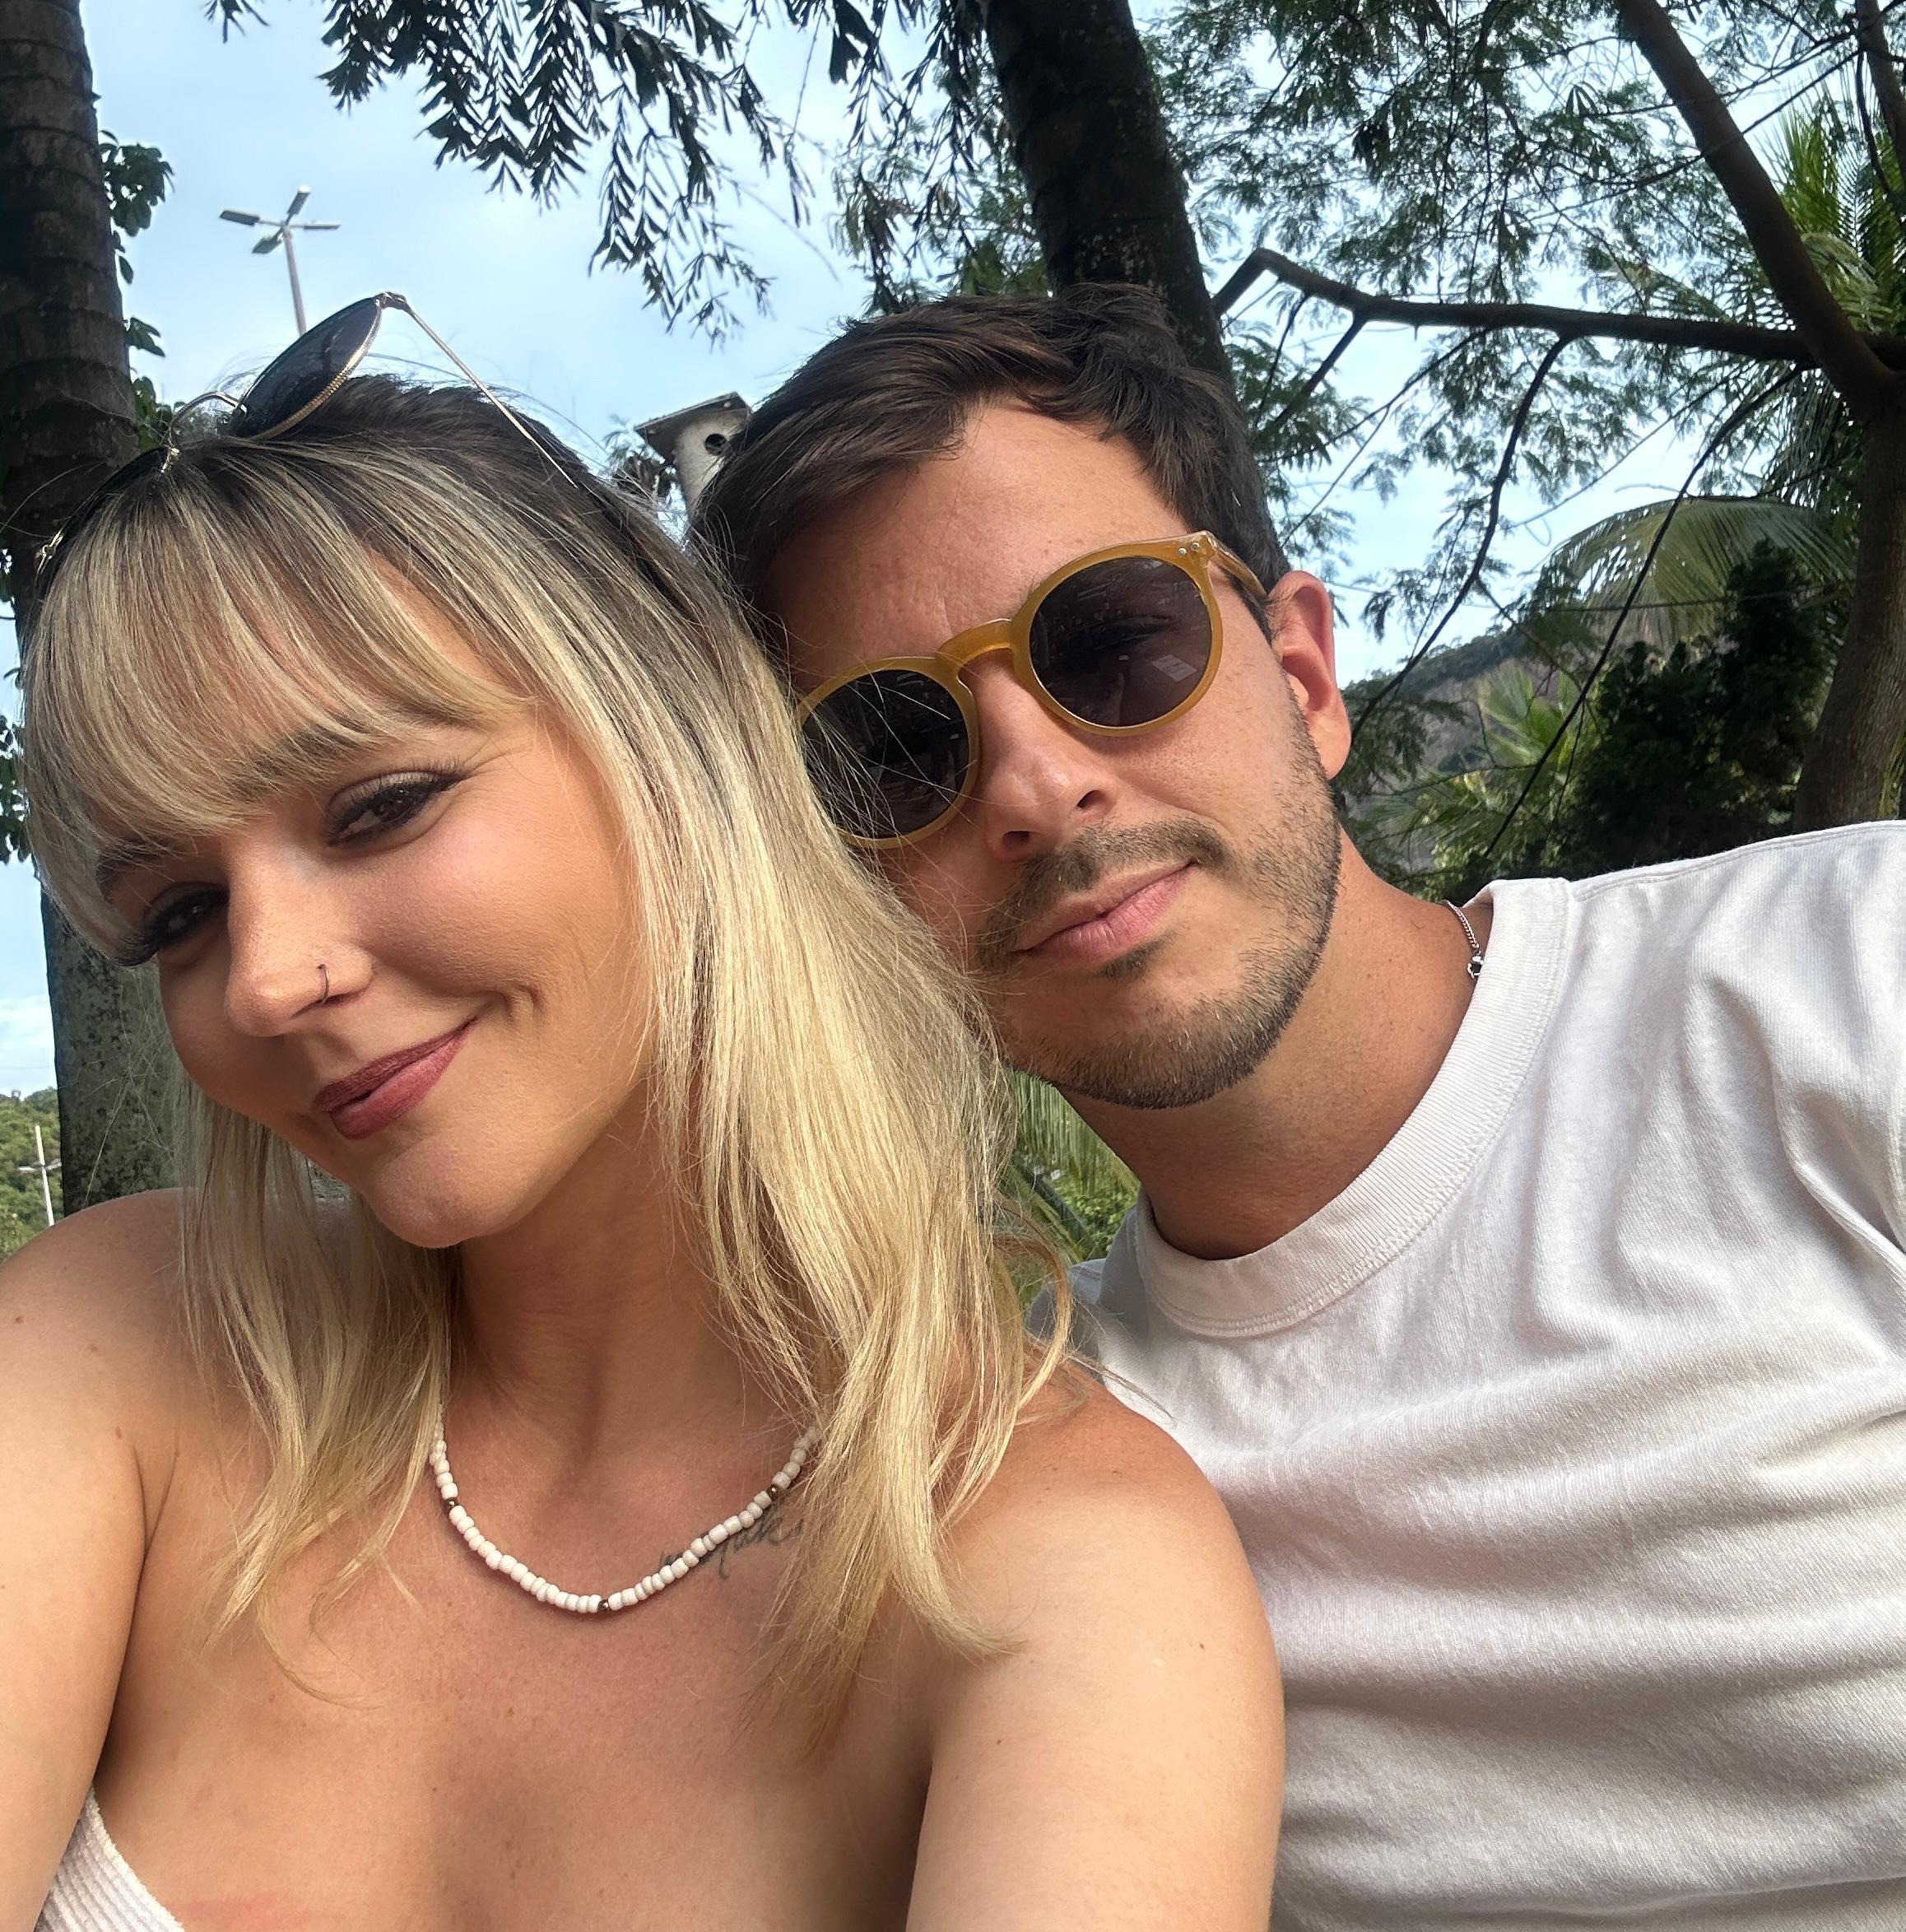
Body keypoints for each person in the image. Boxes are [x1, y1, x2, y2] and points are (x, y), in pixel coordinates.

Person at [1, 305, 1280, 1932]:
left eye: (380, 805)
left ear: (675, 738)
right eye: (180, 912)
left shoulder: (1063, 1562)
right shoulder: (123, 1345)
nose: (263, 980)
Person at [696, 282, 1906, 1932]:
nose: (1038, 785)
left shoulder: (1843, 979)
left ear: (1305, 675)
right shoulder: (1043, 1488)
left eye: (1111, 642)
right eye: (896, 750)